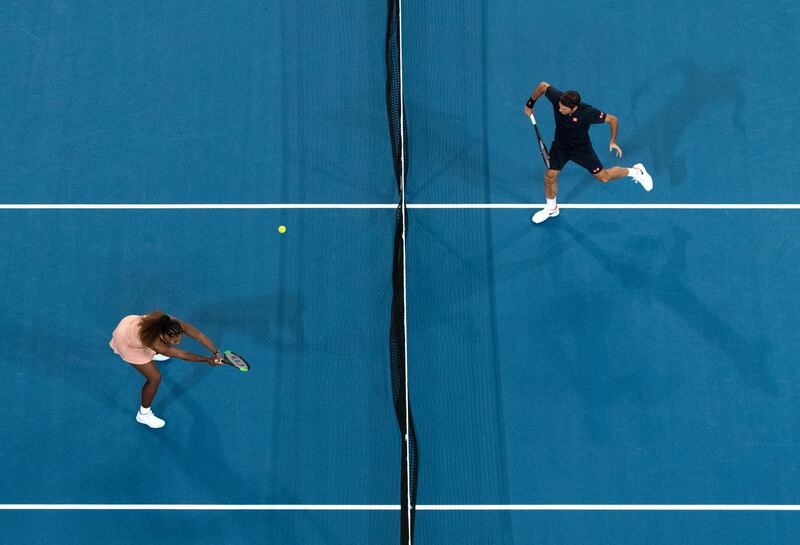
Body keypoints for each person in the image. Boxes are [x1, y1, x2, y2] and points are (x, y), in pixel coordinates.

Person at [523, 82, 653, 224]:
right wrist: (530, 104)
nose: (559, 109)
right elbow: (542, 86)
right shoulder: (558, 98)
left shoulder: (588, 113)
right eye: (559, 106)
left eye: (564, 108)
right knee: (550, 176)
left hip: (582, 150)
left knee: (604, 177)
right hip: (560, 147)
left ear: (574, 108)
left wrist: (613, 141)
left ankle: (636, 171)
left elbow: (613, 119)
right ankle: (551, 209)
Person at [109, 310, 223, 428]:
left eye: (179, 338)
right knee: (155, 378)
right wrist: (207, 360)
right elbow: (183, 355)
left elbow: (199, 336)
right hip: (126, 342)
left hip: (129, 323)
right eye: (174, 340)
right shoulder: (155, 342)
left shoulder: (171, 323)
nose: (178, 342)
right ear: (163, 335)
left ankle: (152, 353)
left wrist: (216, 352)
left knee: (163, 348)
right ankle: (143, 414)